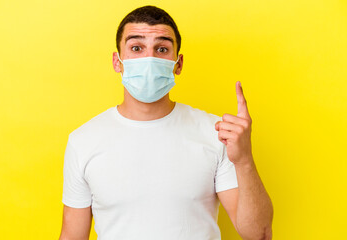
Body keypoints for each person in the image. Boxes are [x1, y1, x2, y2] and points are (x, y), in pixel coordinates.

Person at [59, 5, 273, 240]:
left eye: (161, 49)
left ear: (178, 63)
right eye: (136, 48)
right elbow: (72, 236)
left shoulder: (216, 133)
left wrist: (244, 160)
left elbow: (258, 235)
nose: (149, 59)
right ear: (117, 61)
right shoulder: (83, 141)